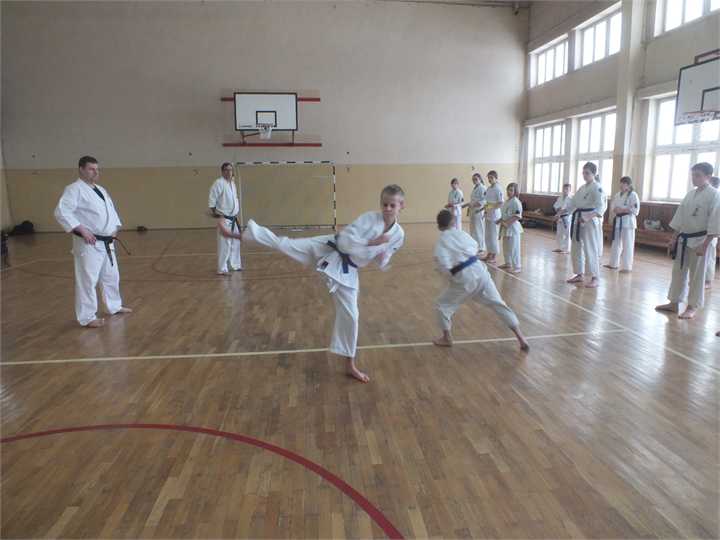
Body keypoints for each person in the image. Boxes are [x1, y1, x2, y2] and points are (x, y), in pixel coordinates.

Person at [242, 185, 406, 383]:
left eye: (392, 205)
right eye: (384, 204)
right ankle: (248, 233)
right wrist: (372, 243)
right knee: (289, 245)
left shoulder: (399, 234)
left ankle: (350, 364)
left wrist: (382, 258)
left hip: (348, 270)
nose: (387, 208)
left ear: (401, 206)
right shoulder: (368, 219)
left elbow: (385, 256)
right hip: (329, 247)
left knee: (351, 316)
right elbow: (344, 242)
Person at [432, 209, 529, 351]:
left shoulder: (442, 241)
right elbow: (475, 247)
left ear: (439, 226)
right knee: (498, 304)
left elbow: (443, 263)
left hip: (464, 278)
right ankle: (521, 338)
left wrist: (448, 274)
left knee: (442, 305)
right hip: (481, 272)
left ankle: (447, 338)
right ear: (453, 222)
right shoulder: (462, 233)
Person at [54, 156, 132, 328]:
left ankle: (114, 306)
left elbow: (111, 213)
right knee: (87, 280)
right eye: (91, 169)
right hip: (89, 243)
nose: (95, 172)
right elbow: (62, 212)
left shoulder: (101, 189)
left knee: (111, 276)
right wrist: (82, 230)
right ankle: (87, 317)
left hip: (107, 241)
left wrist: (114, 229)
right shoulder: (74, 189)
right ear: (81, 169)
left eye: (97, 169)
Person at [656, 163, 720, 319]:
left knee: (697, 275)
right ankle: (674, 302)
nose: (694, 178)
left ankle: (692, 306)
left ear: (708, 176)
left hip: (701, 240)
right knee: (678, 272)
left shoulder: (714, 195)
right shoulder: (690, 194)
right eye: (693, 175)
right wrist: (673, 238)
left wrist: (705, 244)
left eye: (698, 175)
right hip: (684, 239)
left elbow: (715, 222)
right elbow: (680, 218)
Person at [565, 162, 604, 288]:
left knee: (590, 248)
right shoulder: (582, 188)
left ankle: (595, 277)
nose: (584, 175)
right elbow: (573, 203)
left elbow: (600, 207)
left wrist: (587, 217)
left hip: (589, 220)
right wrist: (563, 213)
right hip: (578, 218)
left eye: (587, 173)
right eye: (583, 173)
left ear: (594, 173)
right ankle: (579, 274)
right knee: (576, 246)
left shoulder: (597, 187)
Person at [209, 162, 243, 275]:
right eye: (227, 170)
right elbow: (212, 201)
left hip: (233, 218)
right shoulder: (218, 183)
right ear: (222, 171)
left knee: (236, 242)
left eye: (230, 170)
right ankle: (222, 268)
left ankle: (235, 265)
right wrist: (218, 215)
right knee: (225, 244)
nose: (229, 172)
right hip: (224, 218)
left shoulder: (232, 183)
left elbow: (234, 200)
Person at [604, 176, 640, 272]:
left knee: (627, 244)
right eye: (621, 183)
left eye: (623, 183)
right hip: (618, 220)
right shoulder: (617, 195)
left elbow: (635, 210)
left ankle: (626, 267)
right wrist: (616, 210)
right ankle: (613, 264)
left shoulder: (633, 195)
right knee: (615, 242)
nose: (621, 185)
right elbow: (613, 206)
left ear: (628, 185)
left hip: (628, 222)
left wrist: (623, 210)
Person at [497, 182, 523, 273]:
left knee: (514, 247)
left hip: (512, 227)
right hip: (505, 226)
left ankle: (517, 266)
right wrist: (500, 220)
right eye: (508, 190)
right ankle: (507, 263)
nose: (509, 192)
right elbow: (505, 214)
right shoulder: (507, 201)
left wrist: (507, 223)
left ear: (515, 191)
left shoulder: (516, 202)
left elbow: (517, 216)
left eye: (511, 190)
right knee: (506, 246)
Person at [483, 171, 504, 264]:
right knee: (488, 235)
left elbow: (501, 202)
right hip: (488, 214)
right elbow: (487, 202)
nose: (489, 179)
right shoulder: (489, 188)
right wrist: (485, 210)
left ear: (496, 178)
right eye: (488, 177)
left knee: (493, 235)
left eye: (491, 177)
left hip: (495, 215)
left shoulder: (498, 188)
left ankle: (494, 256)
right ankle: (489, 253)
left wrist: (491, 207)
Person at [464, 173, 486, 254]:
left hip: (479, 211)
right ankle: (475, 246)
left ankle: (481, 248)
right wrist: (468, 206)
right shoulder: (475, 188)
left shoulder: (482, 188)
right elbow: (473, 200)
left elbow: (484, 201)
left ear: (480, 179)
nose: (474, 181)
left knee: (479, 229)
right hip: (473, 211)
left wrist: (473, 204)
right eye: (473, 179)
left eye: (476, 179)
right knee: (473, 229)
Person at [705, 176, 720, 288]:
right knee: (703, 258)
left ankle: (708, 281)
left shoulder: (717, 196)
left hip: (712, 233)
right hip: (703, 232)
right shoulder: (707, 196)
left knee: (710, 257)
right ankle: (702, 279)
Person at [553, 183, 572, 253]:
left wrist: (561, 211)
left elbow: (569, 209)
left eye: (567, 189)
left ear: (570, 190)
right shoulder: (560, 198)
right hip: (559, 217)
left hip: (566, 217)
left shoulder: (570, 199)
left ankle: (567, 249)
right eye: (564, 189)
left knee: (567, 233)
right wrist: (558, 209)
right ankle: (559, 247)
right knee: (559, 233)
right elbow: (555, 206)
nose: (565, 190)